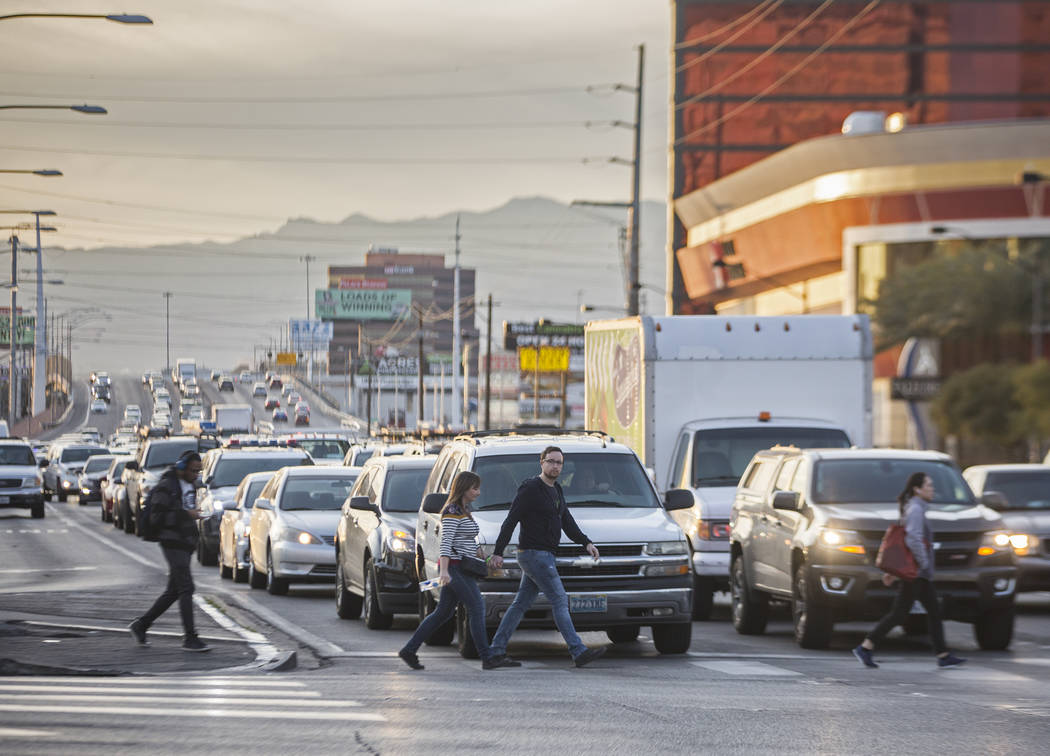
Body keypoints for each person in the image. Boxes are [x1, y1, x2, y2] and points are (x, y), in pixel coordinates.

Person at [489, 446, 607, 668]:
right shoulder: (530, 488)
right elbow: (511, 520)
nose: (555, 466)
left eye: (559, 463)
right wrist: (498, 551)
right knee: (560, 600)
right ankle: (578, 650)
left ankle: (495, 651)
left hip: (543, 556)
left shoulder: (557, 490)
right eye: (551, 461)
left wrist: (586, 542)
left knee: (520, 604)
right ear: (541, 463)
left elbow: (567, 522)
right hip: (535, 554)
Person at [399, 471, 521, 671]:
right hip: (454, 568)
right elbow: (446, 543)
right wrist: (444, 572)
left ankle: (409, 650)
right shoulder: (451, 511)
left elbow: (467, 543)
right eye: (475, 488)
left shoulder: (464, 510)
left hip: (461, 567)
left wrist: (487, 558)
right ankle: (487, 656)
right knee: (477, 607)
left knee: (442, 613)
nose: (478, 492)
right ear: (463, 488)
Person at [853, 472, 966, 669]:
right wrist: (923, 563)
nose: (933, 489)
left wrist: (895, 571)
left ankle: (943, 654)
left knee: (931, 612)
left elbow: (905, 544)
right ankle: (866, 646)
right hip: (916, 574)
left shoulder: (915, 508)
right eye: (929, 485)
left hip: (916, 573)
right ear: (917, 489)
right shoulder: (915, 509)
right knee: (902, 614)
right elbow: (912, 539)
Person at [128, 450, 211, 652]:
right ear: (182, 468)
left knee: (174, 591)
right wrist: (186, 515)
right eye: (193, 471)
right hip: (172, 542)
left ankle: (141, 625)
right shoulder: (167, 487)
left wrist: (193, 517)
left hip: (185, 544)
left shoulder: (189, 485)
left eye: (199, 471)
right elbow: (157, 517)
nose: (196, 475)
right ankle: (190, 638)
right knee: (186, 588)